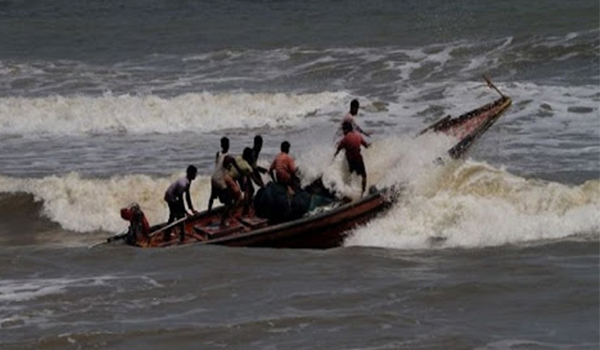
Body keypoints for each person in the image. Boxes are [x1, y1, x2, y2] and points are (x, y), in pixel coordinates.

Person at [334, 121, 370, 196]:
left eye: (343, 130)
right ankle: (362, 193)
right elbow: (366, 146)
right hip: (358, 159)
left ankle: (349, 192)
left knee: (351, 175)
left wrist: (333, 159)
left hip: (351, 161)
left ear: (346, 130)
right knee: (364, 176)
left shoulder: (344, 140)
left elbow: (337, 150)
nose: (343, 132)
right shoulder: (358, 136)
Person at [163, 165, 198, 242]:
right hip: (171, 197)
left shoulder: (188, 181)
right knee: (180, 216)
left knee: (174, 216)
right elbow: (180, 199)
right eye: (195, 174)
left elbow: (187, 196)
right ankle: (181, 237)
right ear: (190, 174)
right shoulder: (183, 184)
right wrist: (185, 211)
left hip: (174, 196)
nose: (196, 175)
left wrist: (191, 209)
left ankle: (167, 235)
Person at [208, 137, 230, 213]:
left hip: (213, 177)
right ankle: (224, 220)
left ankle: (208, 212)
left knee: (212, 197)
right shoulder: (228, 157)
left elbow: (218, 164)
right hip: (220, 180)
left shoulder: (218, 154)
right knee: (228, 200)